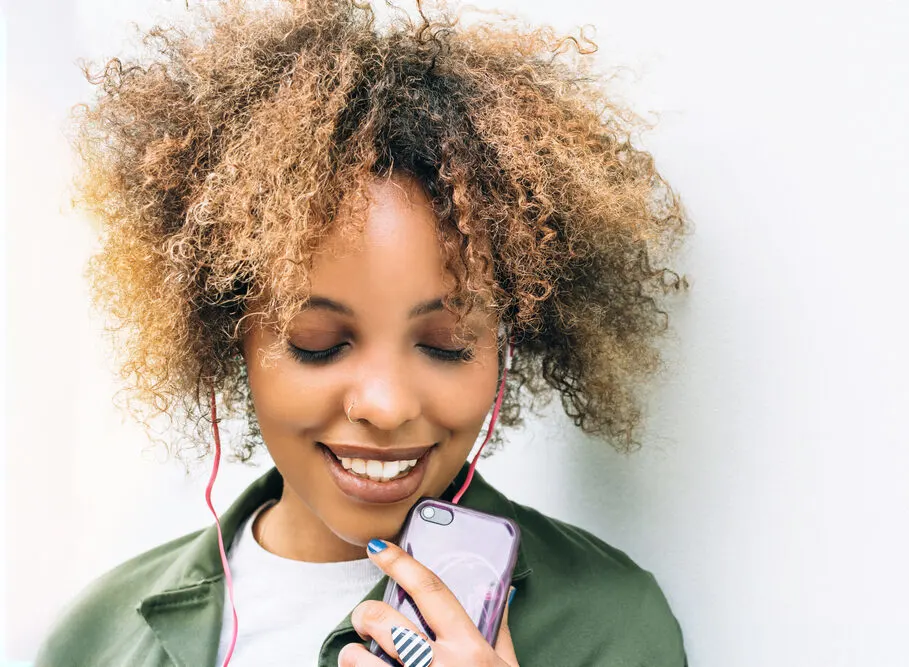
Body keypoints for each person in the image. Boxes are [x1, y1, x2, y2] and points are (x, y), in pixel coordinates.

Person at [36, 0, 690, 665]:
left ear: (507, 342)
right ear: (230, 333)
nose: (385, 404)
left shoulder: (610, 625)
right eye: (318, 341)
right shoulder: (94, 637)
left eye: (446, 343)